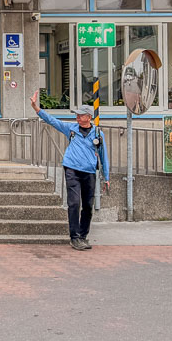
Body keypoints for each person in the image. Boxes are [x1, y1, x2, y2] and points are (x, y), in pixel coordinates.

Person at [30, 92, 110, 250]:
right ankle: (74, 237)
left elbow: (103, 156)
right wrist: (36, 108)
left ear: (88, 117)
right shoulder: (71, 129)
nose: (78, 118)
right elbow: (53, 121)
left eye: (81, 115)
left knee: (87, 205)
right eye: (77, 115)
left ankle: (83, 236)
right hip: (72, 169)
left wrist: (106, 177)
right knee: (74, 203)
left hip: (89, 172)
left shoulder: (98, 134)